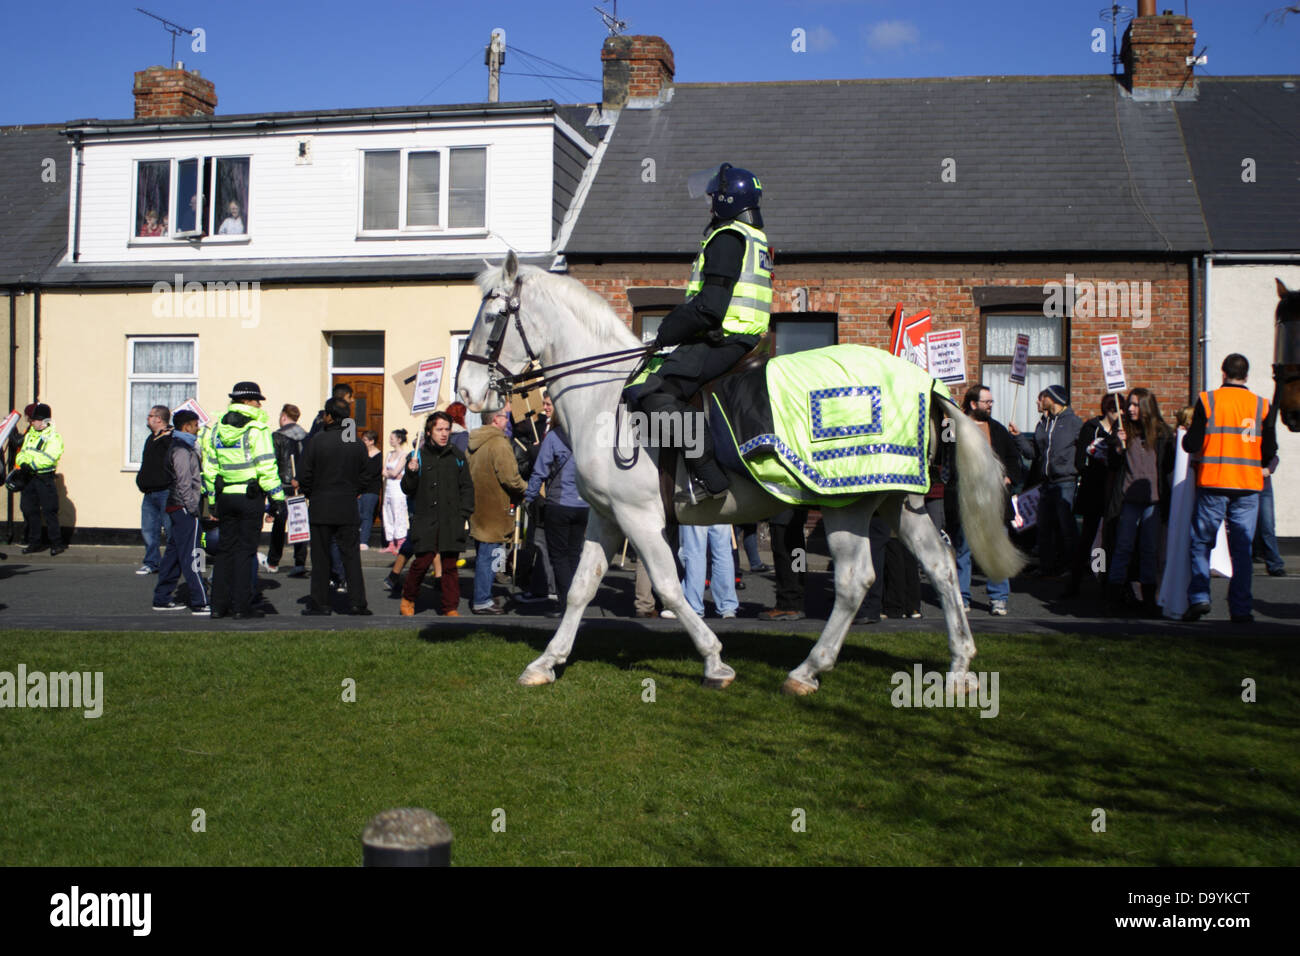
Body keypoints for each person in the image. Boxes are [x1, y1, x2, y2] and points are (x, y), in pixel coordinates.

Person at [634, 163, 772, 498]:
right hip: (743, 337)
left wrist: (666, 332)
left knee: (655, 394)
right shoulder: (754, 239)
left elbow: (710, 306)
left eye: (713, 198)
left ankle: (708, 478)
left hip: (723, 338)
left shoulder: (727, 238)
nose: (709, 204)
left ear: (727, 201)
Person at [1183, 353, 1277, 624]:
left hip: (1214, 480)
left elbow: (1193, 444)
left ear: (1223, 372)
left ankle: (1200, 597)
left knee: (1201, 542)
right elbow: (1269, 449)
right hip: (1248, 485)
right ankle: (1240, 608)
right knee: (1242, 549)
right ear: (1246, 375)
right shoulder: (1262, 405)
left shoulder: (1208, 400)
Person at [200, 382, 286, 619]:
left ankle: (218, 606)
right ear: (247, 401)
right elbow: (267, 466)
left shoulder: (217, 429)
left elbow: (210, 468)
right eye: (257, 400)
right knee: (245, 552)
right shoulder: (257, 429)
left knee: (225, 551)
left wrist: (213, 499)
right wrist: (278, 498)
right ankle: (241, 606)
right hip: (250, 497)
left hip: (226, 496)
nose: (260, 404)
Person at [1103, 388, 1175, 616]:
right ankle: (1113, 595)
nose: (1130, 409)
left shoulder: (1162, 433)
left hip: (1153, 500)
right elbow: (1112, 464)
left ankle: (1148, 598)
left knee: (1149, 549)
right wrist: (1117, 445)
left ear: (1146, 407)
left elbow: (1170, 465)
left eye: (1135, 405)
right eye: (1129, 405)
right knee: (1123, 546)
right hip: (1128, 500)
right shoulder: (1124, 430)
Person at [950, 384, 1021, 614]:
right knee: (964, 548)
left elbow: (1013, 458)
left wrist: (1009, 478)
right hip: (966, 498)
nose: (990, 406)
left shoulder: (997, 429)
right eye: (986, 402)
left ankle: (999, 597)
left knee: (996, 546)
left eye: (991, 402)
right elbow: (946, 453)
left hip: (993, 499)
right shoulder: (954, 426)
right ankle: (962, 596)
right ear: (973, 404)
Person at [298, 398, 370, 615]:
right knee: (351, 558)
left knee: (320, 558)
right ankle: (357, 602)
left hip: (321, 505)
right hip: (347, 505)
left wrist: (312, 492)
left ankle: (320, 603)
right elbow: (365, 475)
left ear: (329, 416)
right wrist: (353, 491)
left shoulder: (318, 441)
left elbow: (304, 475)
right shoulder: (355, 443)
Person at [400, 411, 474, 617]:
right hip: (425, 519)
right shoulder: (419, 456)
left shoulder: (457, 457)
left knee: (450, 566)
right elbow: (407, 488)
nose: (443, 434)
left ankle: (450, 606)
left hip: (451, 520)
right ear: (429, 432)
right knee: (422, 561)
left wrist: (464, 514)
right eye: (439, 429)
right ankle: (408, 597)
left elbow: (467, 487)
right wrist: (412, 472)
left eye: (447, 429)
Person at [1009, 383, 1081, 578]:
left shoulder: (1073, 422)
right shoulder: (1043, 424)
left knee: (1066, 526)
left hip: (1065, 481)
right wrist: (1017, 437)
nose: (1038, 401)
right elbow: (1033, 453)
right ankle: (1046, 567)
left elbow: (1082, 448)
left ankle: (1072, 568)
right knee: (1044, 526)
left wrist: (1074, 467)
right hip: (1046, 482)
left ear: (1053, 399)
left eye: (1042, 397)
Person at [524, 420, 589, 616]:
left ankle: (566, 604)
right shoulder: (587, 436)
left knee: (559, 557)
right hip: (583, 504)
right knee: (574, 555)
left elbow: (540, 470)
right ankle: (575, 600)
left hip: (559, 503)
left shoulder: (553, 437)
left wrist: (530, 496)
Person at [467, 402, 527, 614]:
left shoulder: (474, 442)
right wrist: (528, 489)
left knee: (488, 554)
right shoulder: (499, 444)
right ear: (495, 419)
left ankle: (485, 594)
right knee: (491, 556)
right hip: (496, 508)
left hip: (478, 507)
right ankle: (482, 599)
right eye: (504, 416)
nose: (507, 420)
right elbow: (511, 478)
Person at [152, 410, 209, 614]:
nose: (198, 428)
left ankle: (161, 597)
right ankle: (200, 600)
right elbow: (185, 482)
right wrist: (193, 508)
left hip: (178, 507)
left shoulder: (183, 447)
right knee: (194, 553)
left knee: (174, 554)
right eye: (195, 425)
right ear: (186, 427)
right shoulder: (182, 451)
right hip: (184, 508)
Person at [1066, 394, 1120, 597]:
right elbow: (1080, 461)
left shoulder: (1121, 431)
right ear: (1108, 410)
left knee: (1106, 537)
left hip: (1112, 490)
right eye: (1117, 410)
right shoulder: (1090, 429)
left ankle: (1101, 576)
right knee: (1088, 536)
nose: (1120, 414)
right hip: (1093, 488)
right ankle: (1075, 582)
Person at [15, 403, 66, 555]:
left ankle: (56, 543)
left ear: (44, 420)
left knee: (50, 510)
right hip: (29, 477)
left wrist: (31, 464)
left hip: (44, 477)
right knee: (29, 509)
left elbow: (50, 457)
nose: (31, 422)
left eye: (35, 420)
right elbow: (22, 452)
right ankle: (34, 542)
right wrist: (23, 463)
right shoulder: (30, 434)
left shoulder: (53, 437)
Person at [267, 404, 308, 575]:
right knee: (300, 523)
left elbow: (272, 462)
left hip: (282, 485)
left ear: (284, 416)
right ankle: (299, 562)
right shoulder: (306, 436)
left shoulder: (277, 436)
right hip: (301, 485)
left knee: (279, 523)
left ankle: (273, 561)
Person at [135, 404, 174, 575]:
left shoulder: (170, 438)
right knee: (149, 530)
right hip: (149, 492)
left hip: (165, 491)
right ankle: (152, 562)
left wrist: (168, 434)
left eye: (150, 416)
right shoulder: (150, 438)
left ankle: (174, 562)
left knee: (171, 528)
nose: (148, 419)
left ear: (159, 418)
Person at [680, 524, 738, 619]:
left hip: (695, 511)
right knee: (722, 553)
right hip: (720, 511)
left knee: (695, 553)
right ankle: (727, 607)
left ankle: (694, 607)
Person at [759, 508, 808, 621]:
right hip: (796, 510)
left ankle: (787, 605)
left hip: (782, 512)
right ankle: (797, 602)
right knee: (797, 553)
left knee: (784, 556)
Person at [1253, 455, 1286, 577]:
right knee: (1244, 528)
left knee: (1267, 526)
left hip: (1263, 486)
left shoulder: (1258, 437)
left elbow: (1273, 455)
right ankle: (1243, 565)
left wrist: (1268, 469)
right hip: (1244, 486)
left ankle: (1274, 564)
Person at [382, 429, 410, 554]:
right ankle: (391, 543)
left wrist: (391, 474)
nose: (390, 440)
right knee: (387, 513)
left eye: (392, 438)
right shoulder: (389, 454)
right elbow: (385, 471)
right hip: (388, 488)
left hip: (398, 490)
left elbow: (395, 472)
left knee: (398, 513)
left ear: (399, 439)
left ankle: (401, 542)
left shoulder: (404, 455)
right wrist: (390, 474)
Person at [358, 430, 383, 550]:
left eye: (365, 440)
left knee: (367, 515)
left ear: (372, 441)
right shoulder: (361, 454)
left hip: (371, 489)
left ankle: (363, 540)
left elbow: (372, 472)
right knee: (357, 514)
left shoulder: (378, 456)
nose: (363, 442)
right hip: (359, 489)